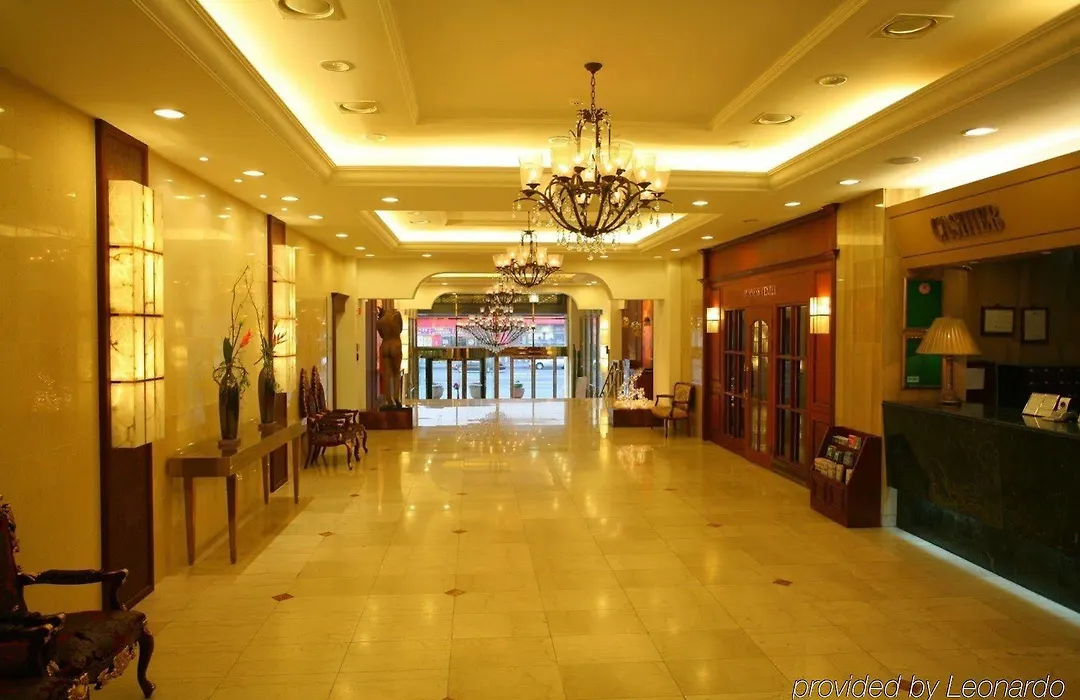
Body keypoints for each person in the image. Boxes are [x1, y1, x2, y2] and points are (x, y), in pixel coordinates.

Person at [375, 305, 404, 408]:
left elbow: (381, 335)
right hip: (395, 345)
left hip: (385, 345)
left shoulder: (381, 321)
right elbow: (400, 329)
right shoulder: (396, 316)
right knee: (396, 373)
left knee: (386, 375)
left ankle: (388, 399)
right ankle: (396, 397)